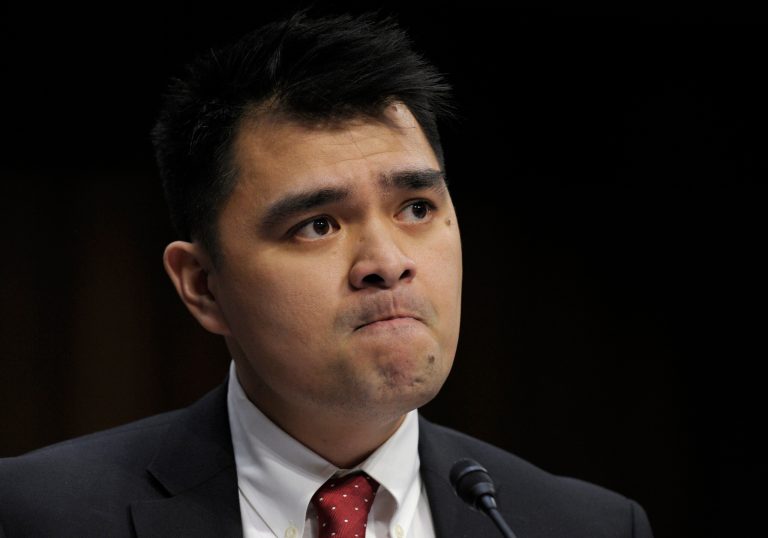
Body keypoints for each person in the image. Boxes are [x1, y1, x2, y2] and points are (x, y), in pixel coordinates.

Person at [0, 11, 653, 538]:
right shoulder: (38, 515)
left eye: (417, 208)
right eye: (317, 224)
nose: (388, 261)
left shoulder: (584, 525)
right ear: (202, 285)